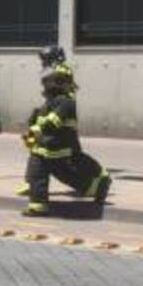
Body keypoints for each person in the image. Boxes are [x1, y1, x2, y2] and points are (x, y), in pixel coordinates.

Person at [19, 46, 111, 217]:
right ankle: (35, 192)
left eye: (46, 58)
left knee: (72, 159)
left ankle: (99, 180)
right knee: (53, 162)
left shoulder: (61, 71)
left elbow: (62, 93)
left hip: (63, 124)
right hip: (55, 125)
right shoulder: (52, 72)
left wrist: (42, 124)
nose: (43, 62)